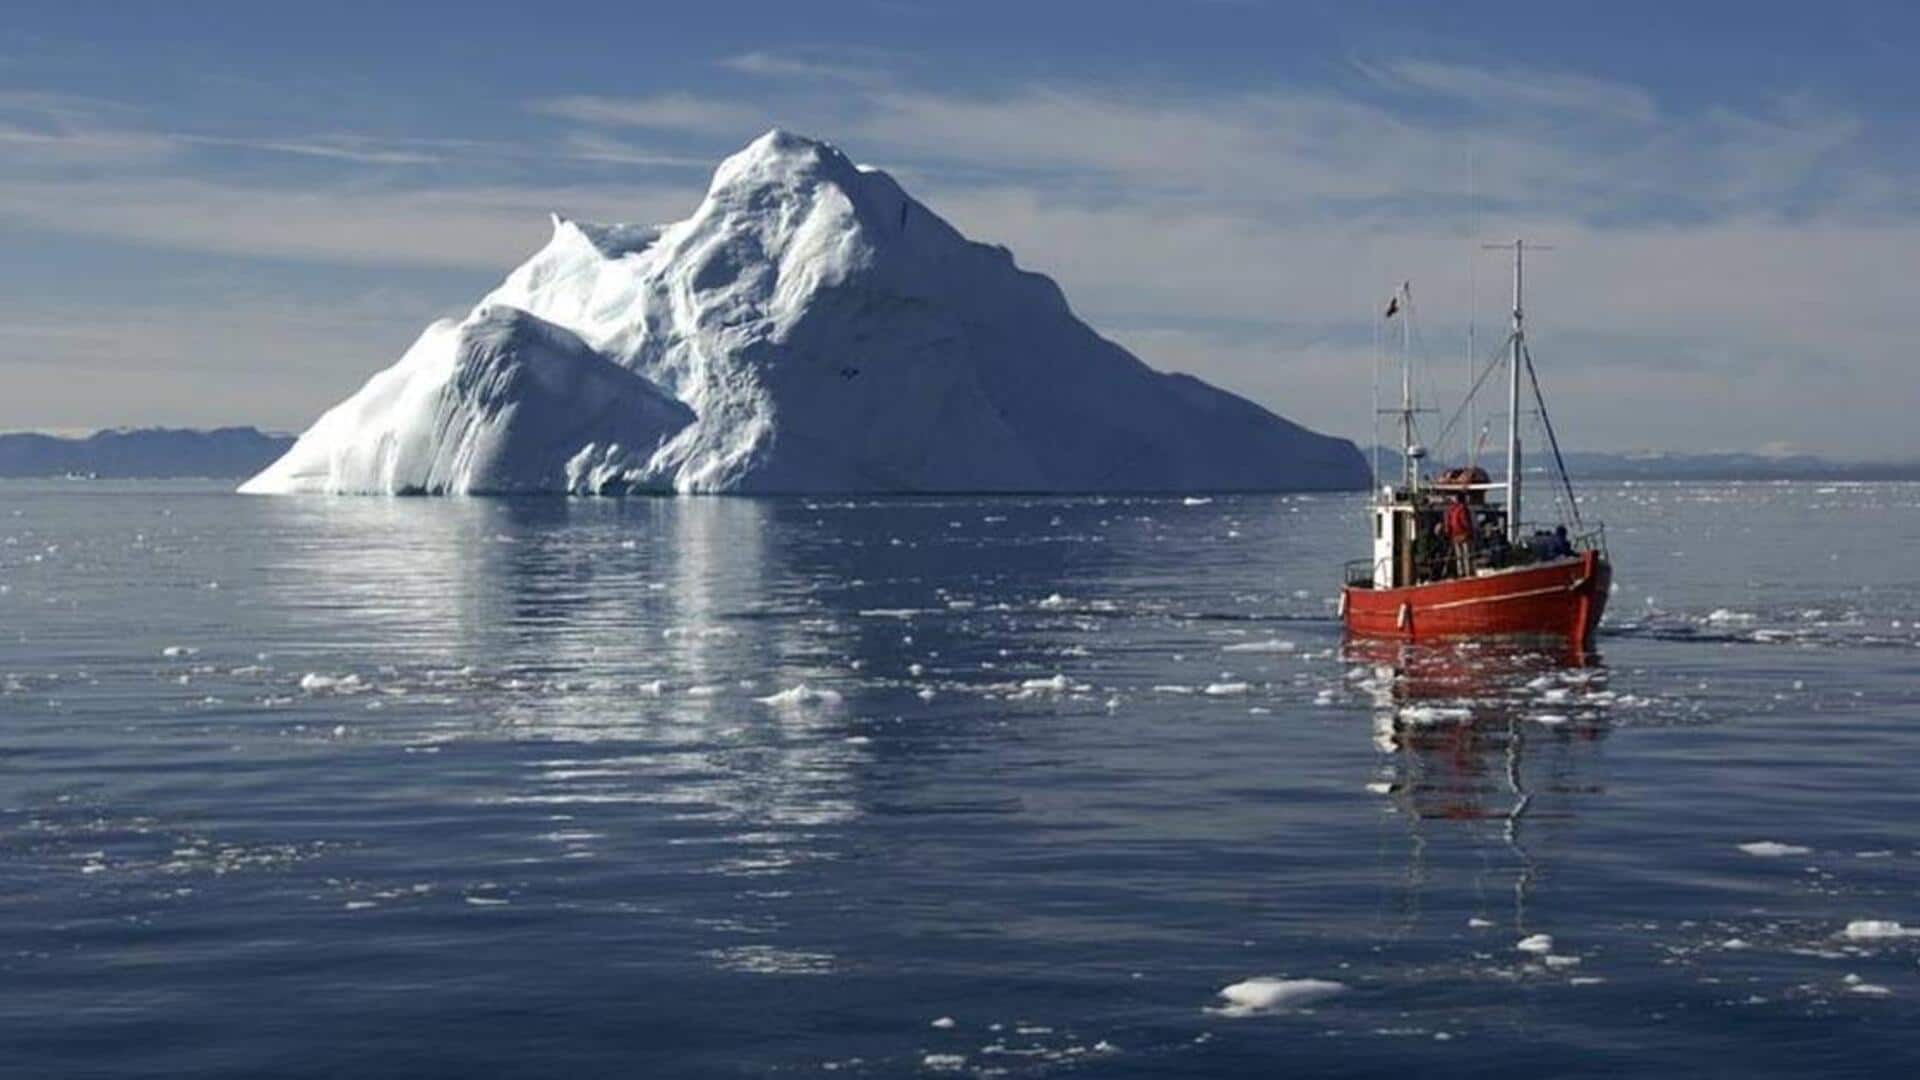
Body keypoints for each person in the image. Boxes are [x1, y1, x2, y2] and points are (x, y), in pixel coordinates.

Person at [1444, 494, 1474, 577]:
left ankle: (1461, 573)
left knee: (1459, 557)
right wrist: (1470, 531)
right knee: (1467, 555)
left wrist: (1448, 533)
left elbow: (1448, 523)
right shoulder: (1462, 508)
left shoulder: (1450, 509)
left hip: (1454, 535)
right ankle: (1468, 573)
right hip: (1464, 534)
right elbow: (1465, 521)